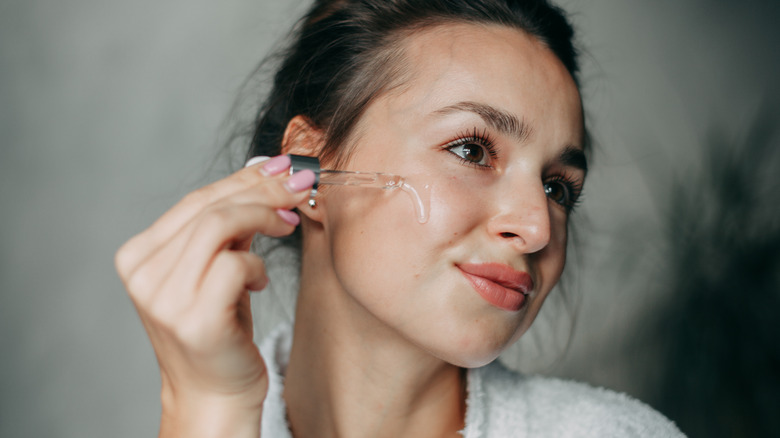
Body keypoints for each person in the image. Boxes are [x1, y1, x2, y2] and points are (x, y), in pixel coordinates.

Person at [115, 0, 685, 436]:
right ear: (308, 173)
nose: (537, 227)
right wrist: (211, 414)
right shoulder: (201, 417)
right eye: (471, 150)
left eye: (559, 187)